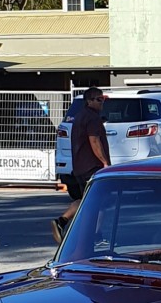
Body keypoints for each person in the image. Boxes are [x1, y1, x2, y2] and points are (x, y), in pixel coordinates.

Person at [51, 87, 110, 244]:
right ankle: (93, 235)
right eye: (98, 99)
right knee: (99, 202)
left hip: (80, 166)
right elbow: (94, 141)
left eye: (102, 99)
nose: (101, 102)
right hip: (92, 167)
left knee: (88, 200)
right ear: (89, 101)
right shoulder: (92, 118)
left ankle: (67, 224)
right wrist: (104, 162)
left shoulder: (80, 116)